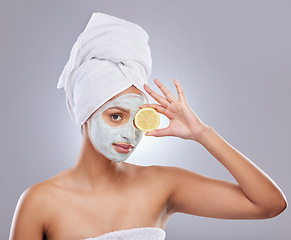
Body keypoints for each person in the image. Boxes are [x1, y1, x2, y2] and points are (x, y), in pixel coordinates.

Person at [9, 13, 287, 240]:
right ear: (85, 113)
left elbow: (269, 204)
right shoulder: (40, 201)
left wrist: (203, 134)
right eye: (116, 116)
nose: (130, 133)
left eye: (138, 118)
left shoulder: (162, 185)